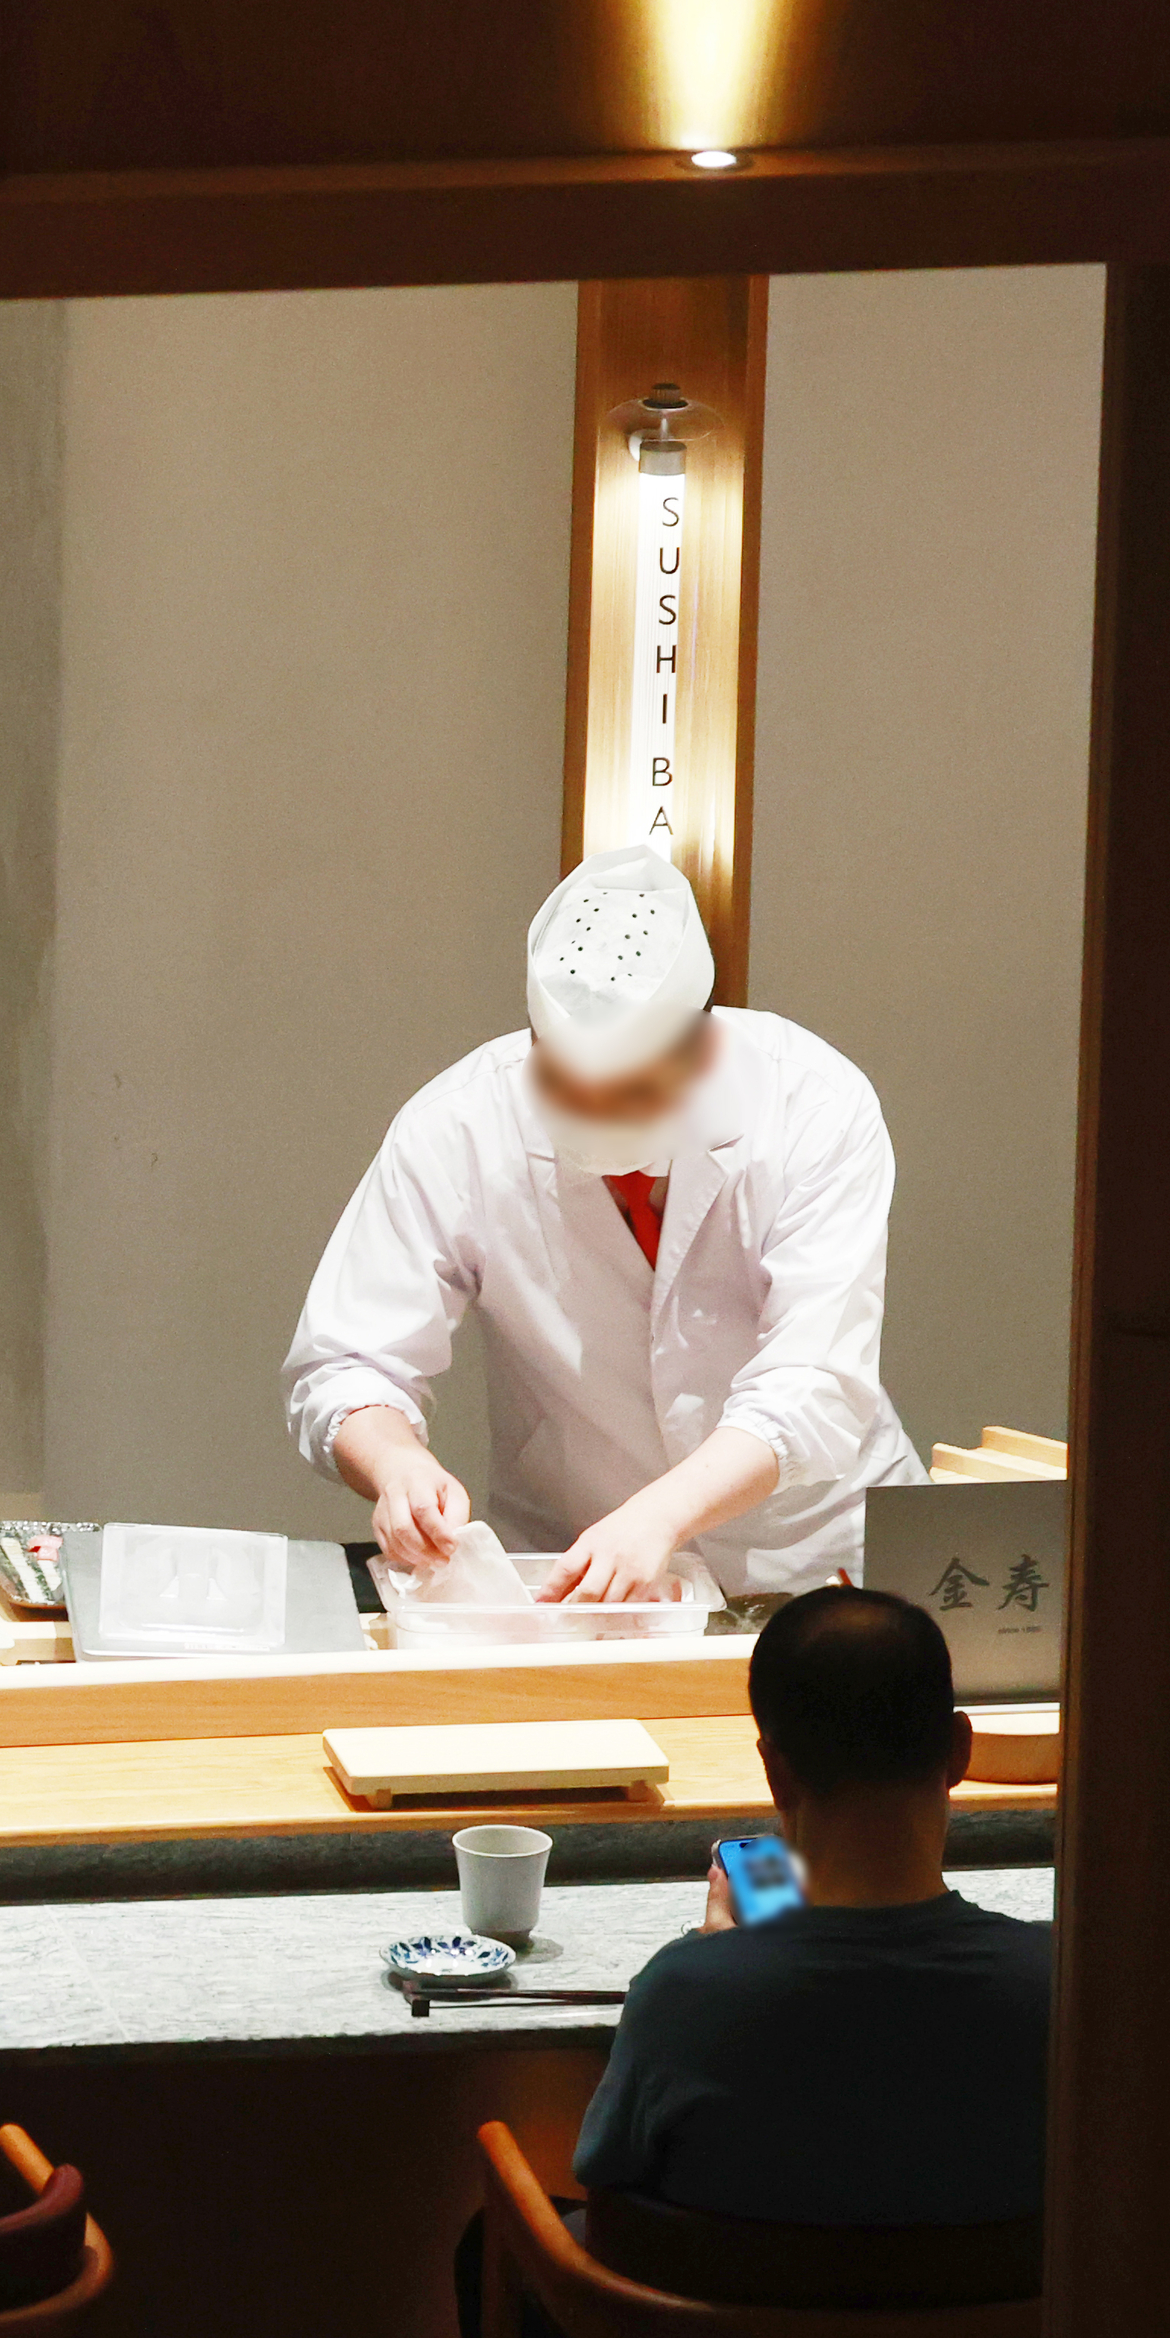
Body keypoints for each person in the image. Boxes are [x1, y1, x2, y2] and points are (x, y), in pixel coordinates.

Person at [285, 844, 922, 1599]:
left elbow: (813, 1382)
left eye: (627, 1091)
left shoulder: (812, 1104)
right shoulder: (457, 1126)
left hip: (809, 1557)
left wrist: (659, 1517)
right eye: (564, 1083)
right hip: (577, 1571)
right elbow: (348, 1360)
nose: (591, 1112)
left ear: (699, 1048)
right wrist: (397, 1465)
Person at [572, 1584, 1050, 2227]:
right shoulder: (1058, 1985)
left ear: (774, 1771)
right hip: (996, 2326)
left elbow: (608, 2178)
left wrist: (716, 1962)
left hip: (735, 2327)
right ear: (960, 1749)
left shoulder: (685, 1991)